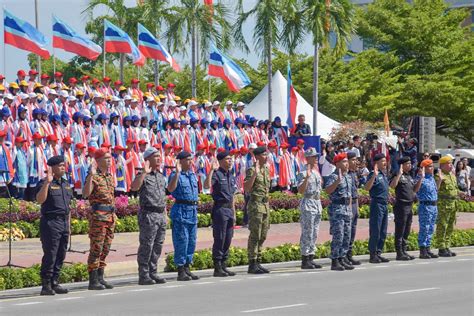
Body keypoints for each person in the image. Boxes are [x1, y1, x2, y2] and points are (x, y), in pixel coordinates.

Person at [36, 156, 73, 296]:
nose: (63, 168)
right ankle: (46, 284)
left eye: (64, 165)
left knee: (61, 253)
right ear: (51, 168)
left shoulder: (66, 184)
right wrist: (47, 183)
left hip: (63, 222)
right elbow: (40, 200)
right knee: (50, 254)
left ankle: (55, 282)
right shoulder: (45, 183)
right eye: (60, 165)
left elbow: (67, 207)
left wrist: (68, 227)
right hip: (51, 222)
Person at [130, 147, 168, 285]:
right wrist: (143, 174)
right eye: (155, 156)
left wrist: (165, 213)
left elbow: (163, 196)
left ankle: (153, 272)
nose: (158, 159)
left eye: (159, 156)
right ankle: (144, 274)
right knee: (147, 245)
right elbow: (134, 187)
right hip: (148, 215)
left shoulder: (160, 176)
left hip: (160, 214)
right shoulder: (142, 174)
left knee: (158, 245)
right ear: (148, 159)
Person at [83, 149, 116, 290]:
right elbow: (85, 194)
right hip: (98, 217)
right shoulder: (93, 177)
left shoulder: (109, 176)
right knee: (96, 248)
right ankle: (93, 279)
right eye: (106, 158)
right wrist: (91, 175)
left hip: (110, 216)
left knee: (106, 248)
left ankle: (100, 277)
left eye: (110, 158)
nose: (109, 160)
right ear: (98, 160)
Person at [167, 151, 200, 281]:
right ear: (180, 161)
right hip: (181, 211)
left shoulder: (192, 175)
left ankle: (187, 267)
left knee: (191, 241)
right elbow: (170, 189)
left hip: (192, 210)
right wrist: (178, 172)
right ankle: (180, 270)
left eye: (191, 159)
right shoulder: (175, 175)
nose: (191, 162)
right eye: (187, 160)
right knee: (182, 241)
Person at [204, 150, 237, 277]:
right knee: (220, 238)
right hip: (220, 209)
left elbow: (232, 196)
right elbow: (206, 185)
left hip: (229, 209)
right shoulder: (217, 175)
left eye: (231, 159)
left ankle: (224, 265)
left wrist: (234, 214)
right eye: (228, 159)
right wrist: (211, 170)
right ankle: (217, 267)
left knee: (228, 238)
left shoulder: (231, 175)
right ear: (221, 161)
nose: (230, 161)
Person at [324, 153, 354, 271]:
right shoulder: (333, 176)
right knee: (339, 235)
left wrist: (350, 209)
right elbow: (328, 190)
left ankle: (342, 257)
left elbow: (350, 194)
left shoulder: (348, 177)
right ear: (337, 164)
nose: (347, 164)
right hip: (337, 209)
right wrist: (337, 181)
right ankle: (335, 260)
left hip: (346, 209)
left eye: (347, 161)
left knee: (347, 235)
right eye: (344, 162)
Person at [244, 146, 271, 274]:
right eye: (264, 155)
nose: (266, 157)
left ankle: (258, 261)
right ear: (258, 156)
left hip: (265, 206)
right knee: (255, 234)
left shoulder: (266, 169)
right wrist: (254, 174)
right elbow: (246, 188)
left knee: (263, 235)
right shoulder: (251, 170)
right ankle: (252, 262)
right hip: (256, 206)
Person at [389, 157, 422, 260]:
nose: (410, 165)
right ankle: (399, 253)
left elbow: (415, 190)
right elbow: (392, 186)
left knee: (407, 230)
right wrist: (399, 174)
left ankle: (404, 250)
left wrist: (421, 178)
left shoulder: (409, 176)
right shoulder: (397, 175)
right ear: (401, 165)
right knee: (400, 229)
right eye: (407, 164)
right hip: (401, 206)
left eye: (410, 163)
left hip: (409, 205)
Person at [297, 148, 323, 270]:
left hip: (317, 203)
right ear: (307, 158)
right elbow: (301, 191)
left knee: (315, 232)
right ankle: (305, 259)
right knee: (307, 232)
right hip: (308, 203)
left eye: (316, 156)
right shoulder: (303, 173)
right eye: (313, 156)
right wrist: (306, 178)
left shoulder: (316, 172)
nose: (316, 158)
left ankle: (311, 257)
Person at [365, 153, 390, 264]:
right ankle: (373, 254)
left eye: (385, 161)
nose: (385, 163)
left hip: (384, 204)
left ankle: (378, 253)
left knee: (383, 231)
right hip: (377, 204)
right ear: (376, 163)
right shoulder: (373, 174)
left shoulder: (383, 174)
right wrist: (374, 175)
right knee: (376, 230)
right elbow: (367, 188)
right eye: (383, 161)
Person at [435, 156, 460, 257]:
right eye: (449, 163)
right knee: (442, 226)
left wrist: (461, 193)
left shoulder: (452, 175)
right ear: (443, 165)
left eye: (451, 163)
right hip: (443, 206)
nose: (451, 165)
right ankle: (441, 248)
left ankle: (447, 246)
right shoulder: (439, 175)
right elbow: (435, 189)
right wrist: (440, 180)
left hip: (453, 204)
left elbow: (454, 189)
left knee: (450, 227)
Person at [416, 159, 439, 259]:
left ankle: (428, 249)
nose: (432, 168)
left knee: (430, 228)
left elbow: (435, 191)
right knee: (424, 228)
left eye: (432, 166)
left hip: (433, 205)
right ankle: (422, 250)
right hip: (425, 206)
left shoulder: (431, 178)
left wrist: (440, 181)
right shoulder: (421, 178)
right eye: (430, 166)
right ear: (424, 168)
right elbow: (415, 190)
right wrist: (421, 177)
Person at [346, 151, 361, 265]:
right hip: (348, 204)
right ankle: (344, 254)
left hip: (355, 203)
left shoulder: (354, 174)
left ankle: (349, 254)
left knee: (353, 229)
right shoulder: (345, 174)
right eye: (353, 160)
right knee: (347, 230)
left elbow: (356, 190)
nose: (356, 162)